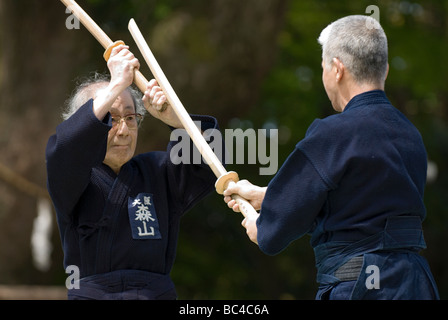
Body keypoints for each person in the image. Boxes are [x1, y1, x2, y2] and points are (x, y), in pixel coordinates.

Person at [223, 15, 440, 300]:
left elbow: (271, 235)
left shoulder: (333, 134)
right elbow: (357, 205)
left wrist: (260, 226)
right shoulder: (409, 134)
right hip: (415, 283)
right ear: (385, 70)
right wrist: (267, 196)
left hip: (363, 286)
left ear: (337, 69)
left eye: (323, 66)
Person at [46, 44, 222, 299]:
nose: (124, 130)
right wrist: (117, 83)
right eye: (110, 118)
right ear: (85, 125)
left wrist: (177, 121)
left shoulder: (157, 172)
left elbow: (211, 162)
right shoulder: (72, 177)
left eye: (130, 118)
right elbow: (65, 147)